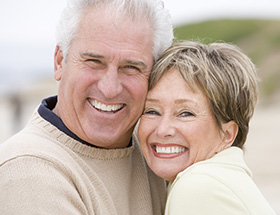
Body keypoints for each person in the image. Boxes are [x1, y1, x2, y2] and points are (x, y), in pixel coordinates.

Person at [0, 0, 173, 214]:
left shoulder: (159, 151)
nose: (110, 88)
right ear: (59, 62)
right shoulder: (29, 171)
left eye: (131, 67)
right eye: (94, 61)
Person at [138, 41, 276, 214]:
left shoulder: (198, 185)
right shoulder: (224, 179)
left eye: (186, 113)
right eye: (151, 111)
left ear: (227, 134)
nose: (163, 130)